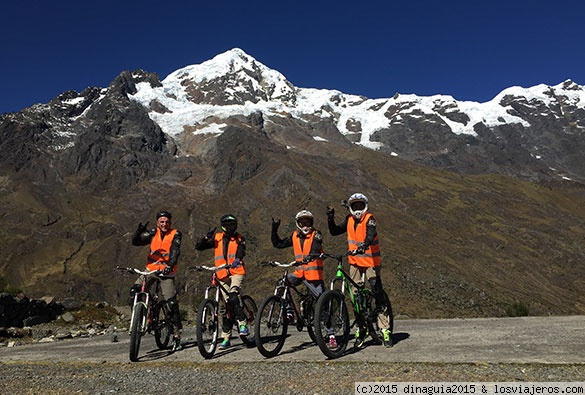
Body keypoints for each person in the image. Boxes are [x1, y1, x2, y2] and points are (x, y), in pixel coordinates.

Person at [327, 193, 393, 348]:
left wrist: (365, 244)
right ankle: (361, 328)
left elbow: (371, 233)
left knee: (377, 291)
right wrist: (330, 218)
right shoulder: (349, 220)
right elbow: (335, 231)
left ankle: (385, 329)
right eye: (354, 206)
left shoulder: (369, 218)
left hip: (371, 261)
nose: (357, 209)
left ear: (365, 206)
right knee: (356, 297)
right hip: (355, 262)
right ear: (350, 208)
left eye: (360, 206)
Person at [271, 210, 335, 347]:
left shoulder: (316, 234)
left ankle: (331, 334)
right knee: (282, 283)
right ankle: (289, 312)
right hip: (299, 273)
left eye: (307, 222)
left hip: (314, 276)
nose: (305, 225)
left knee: (322, 304)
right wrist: (274, 229)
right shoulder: (295, 235)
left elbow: (316, 248)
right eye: (302, 222)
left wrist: (311, 256)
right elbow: (278, 244)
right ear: (298, 223)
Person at [131, 210, 183, 351]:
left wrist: (169, 266)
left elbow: (175, 252)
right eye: (162, 222)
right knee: (135, 291)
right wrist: (138, 232)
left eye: (167, 222)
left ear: (170, 222)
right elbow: (136, 242)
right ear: (157, 223)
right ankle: (139, 319)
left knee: (171, 303)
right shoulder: (153, 233)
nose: (164, 224)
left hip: (167, 272)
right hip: (151, 270)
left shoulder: (175, 234)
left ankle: (177, 336)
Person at [195, 214, 248, 349]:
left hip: (237, 271)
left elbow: (242, 250)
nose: (230, 227)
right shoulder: (217, 238)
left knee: (233, 296)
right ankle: (226, 337)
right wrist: (206, 238)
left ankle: (243, 323)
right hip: (221, 273)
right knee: (226, 307)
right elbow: (199, 247)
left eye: (232, 224)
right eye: (227, 224)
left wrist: (237, 259)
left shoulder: (240, 238)